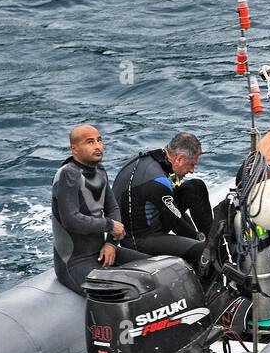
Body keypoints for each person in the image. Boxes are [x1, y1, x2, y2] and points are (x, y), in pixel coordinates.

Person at [52, 125, 145, 295]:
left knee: (156, 270)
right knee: (121, 294)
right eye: (90, 142)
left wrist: (110, 243)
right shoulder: (67, 175)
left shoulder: (100, 171)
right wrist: (109, 225)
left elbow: (113, 208)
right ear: (75, 149)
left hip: (100, 252)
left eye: (99, 140)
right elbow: (71, 220)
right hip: (74, 263)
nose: (98, 146)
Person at [113, 132, 212, 268]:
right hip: (139, 240)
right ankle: (213, 250)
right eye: (191, 165)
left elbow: (175, 212)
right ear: (179, 159)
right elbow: (178, 223)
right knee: (201, 251)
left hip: (151, 221)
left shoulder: (154, 159)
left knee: (195, 187)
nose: (192, 171)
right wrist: (201, 241)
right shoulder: (158, 181)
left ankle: (213, 239)